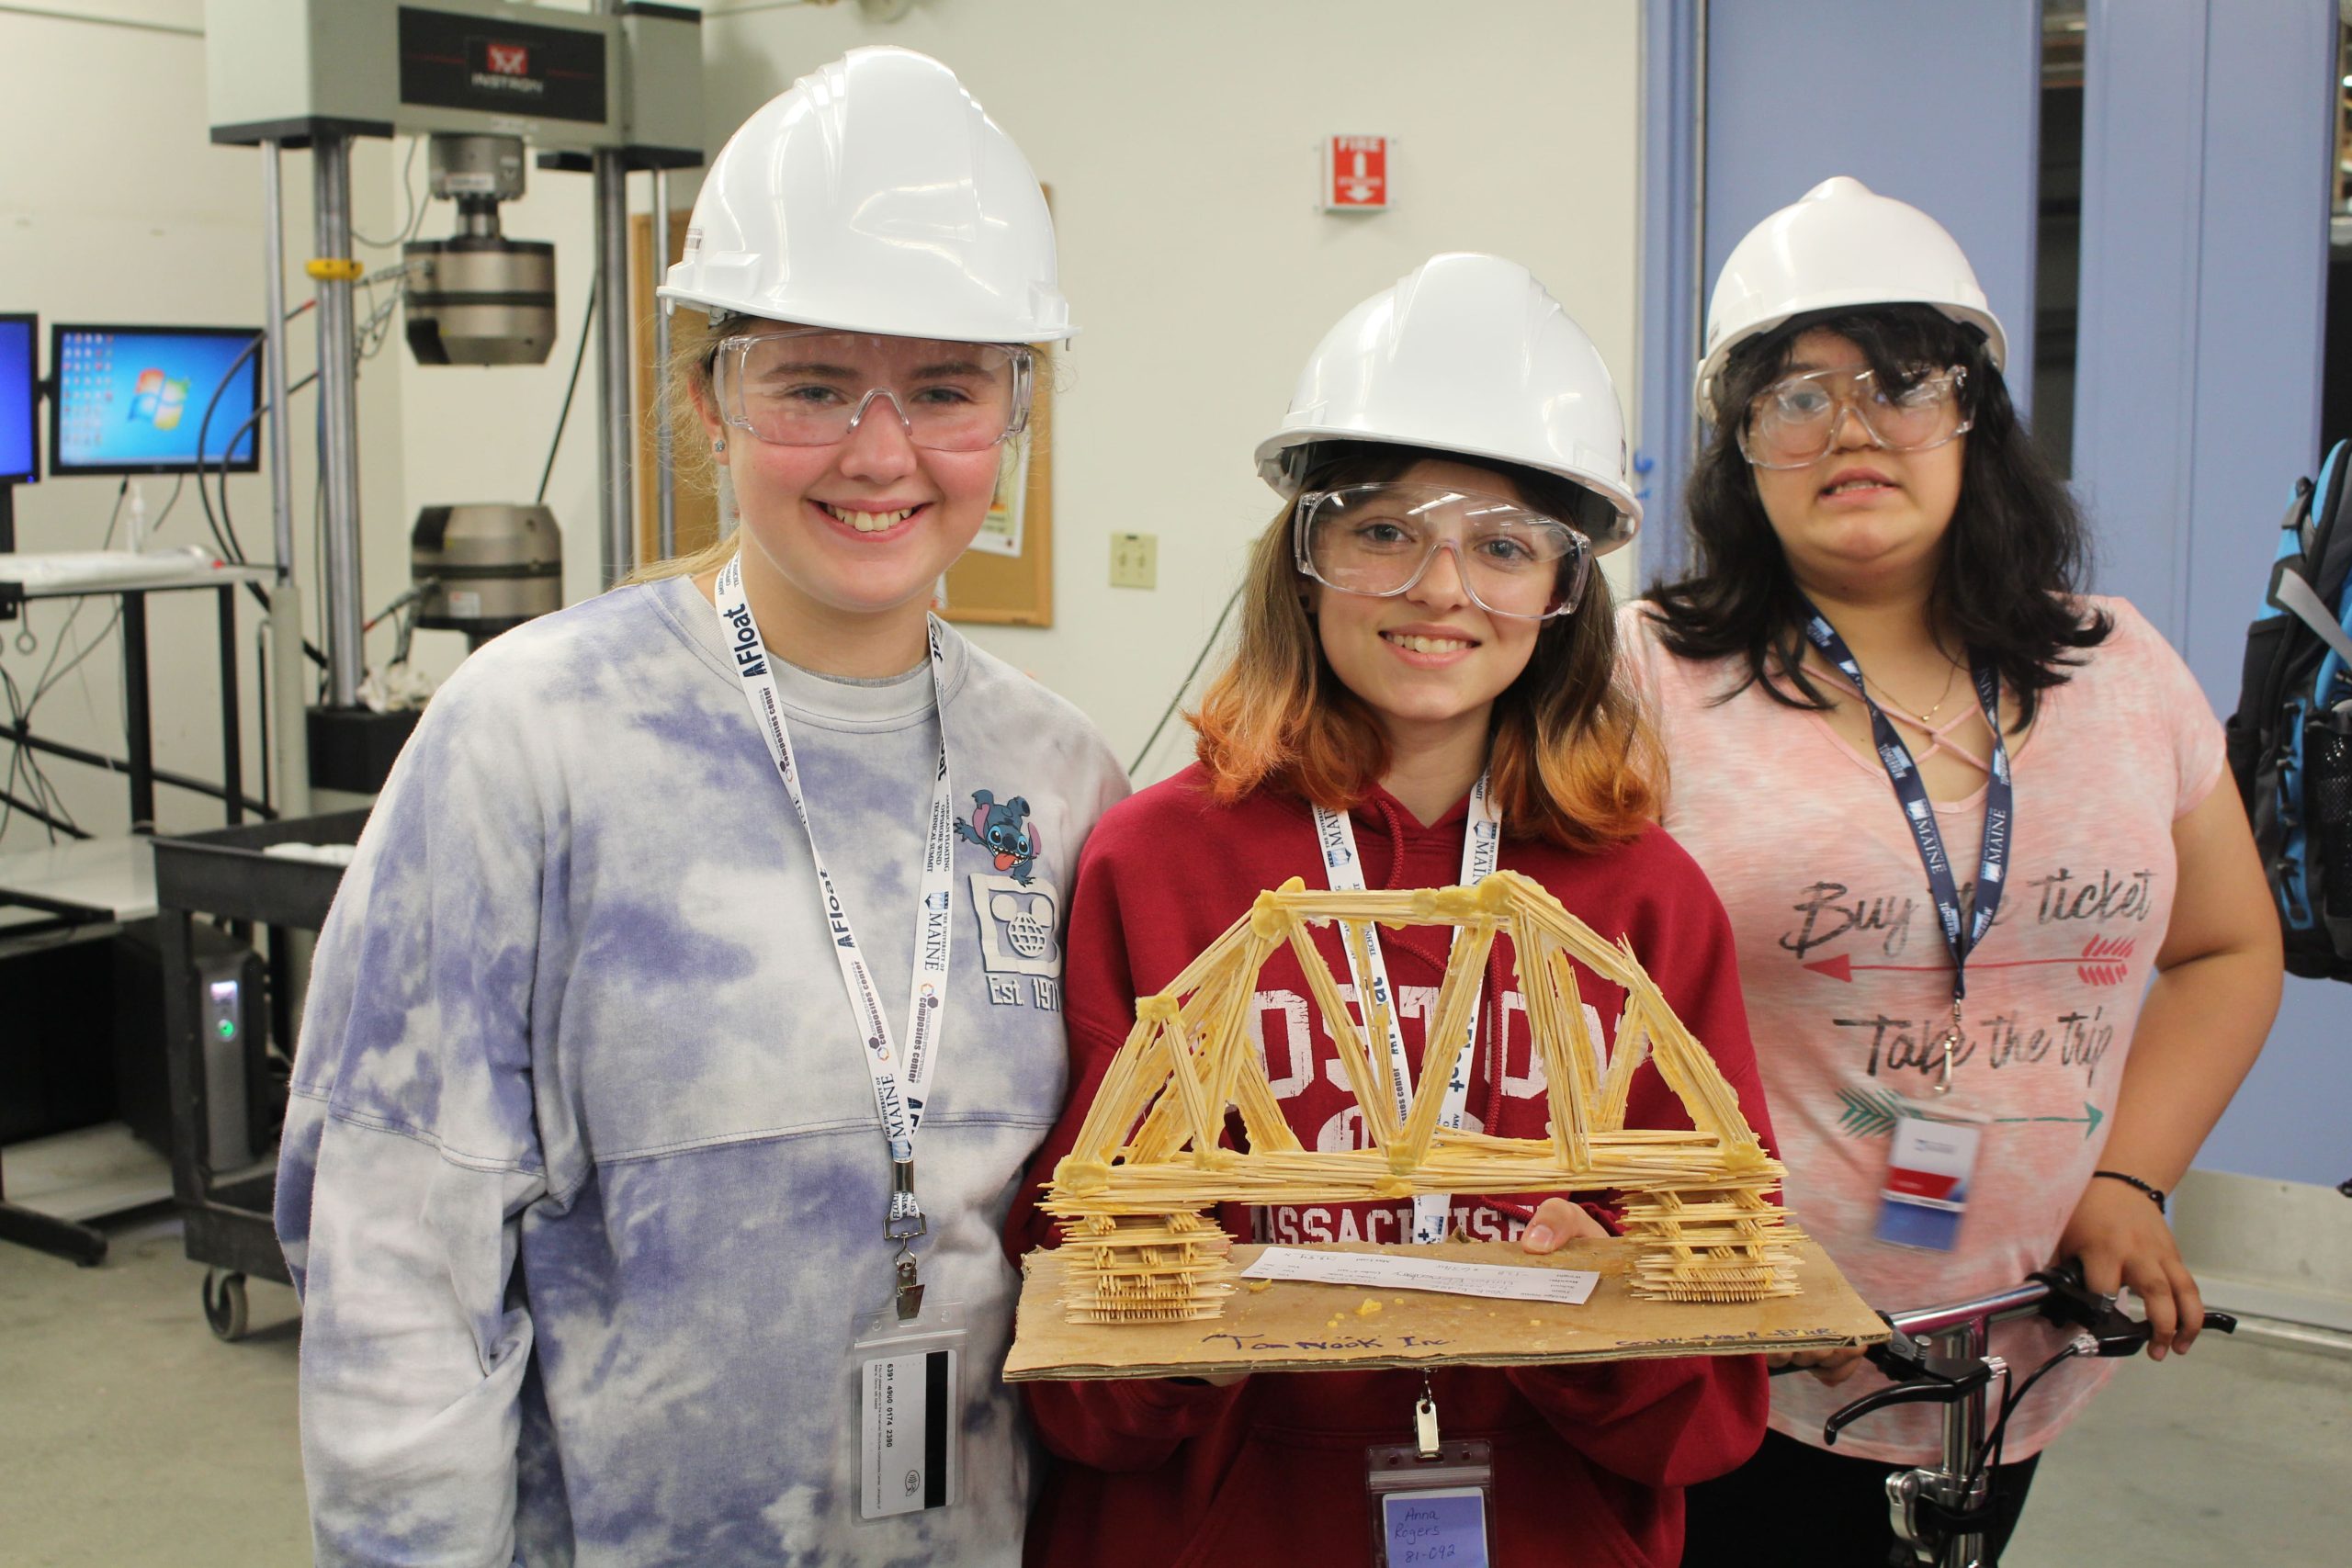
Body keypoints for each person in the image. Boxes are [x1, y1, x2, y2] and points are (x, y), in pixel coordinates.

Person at [275, 48, 1125, 1566]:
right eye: (810, 385)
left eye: (943, 390)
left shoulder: (1056, 777)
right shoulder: (534, 740)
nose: (880, 453)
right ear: (710, 400)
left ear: (1015, 416)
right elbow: (394, 1266)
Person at [1009, 254, 1773, 1568]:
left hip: (1547, 1521)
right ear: (1304, 562)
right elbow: (1082, 1360)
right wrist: (1166, 1318)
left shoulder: (1643, 903)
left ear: (1562, 593)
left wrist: (1602, 1322)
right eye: (1384, 531)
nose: (1439, 589)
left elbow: (1713, 1403)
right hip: (1222, 1526)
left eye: (1502, 545)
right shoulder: (1157, 867)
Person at [1624, 177, 2283, 1566]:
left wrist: (2134, 1181)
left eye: (1900, 383)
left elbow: (2229, 947)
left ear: (1972, 413)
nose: (1851, 429)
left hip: (2020, 1344)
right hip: (1738, 1355)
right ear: (1737, 446)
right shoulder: (1647, 675)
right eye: (1793, 394)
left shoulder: (2117, 667)